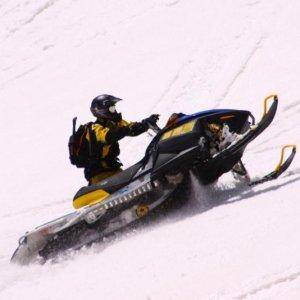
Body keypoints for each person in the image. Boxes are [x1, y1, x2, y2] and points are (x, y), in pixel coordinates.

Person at [76, 94, 159, 185]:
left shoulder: (114, 123)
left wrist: (146, 124)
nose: (114, 111)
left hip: (113, 168)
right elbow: (109, 136)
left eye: (114, 108)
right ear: (101, 111)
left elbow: (131, 129)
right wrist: (126, 130)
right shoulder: (94, 128)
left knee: (134, 184)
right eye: (111, 109)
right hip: (99, 175)